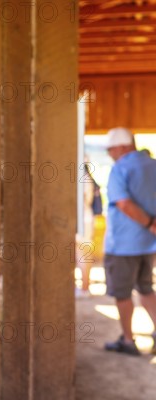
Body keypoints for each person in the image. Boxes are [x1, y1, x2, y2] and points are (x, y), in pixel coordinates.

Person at [102, 127, 156, 356]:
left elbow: (123, 203)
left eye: (111, 149)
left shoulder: (120, 169)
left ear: (123, 146)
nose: (109, 154)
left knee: (122, 293)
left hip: (123, 245)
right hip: (149, 244)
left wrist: (149, 223)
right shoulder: (154, 165)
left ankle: (127, 340)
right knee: (145, 288)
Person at [76, 162, 99, 298]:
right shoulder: (86, 178)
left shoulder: (82, 178)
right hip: (85, 220)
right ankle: (84, 287)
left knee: (83, 255)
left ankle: (85, 288)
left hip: (83, 221)